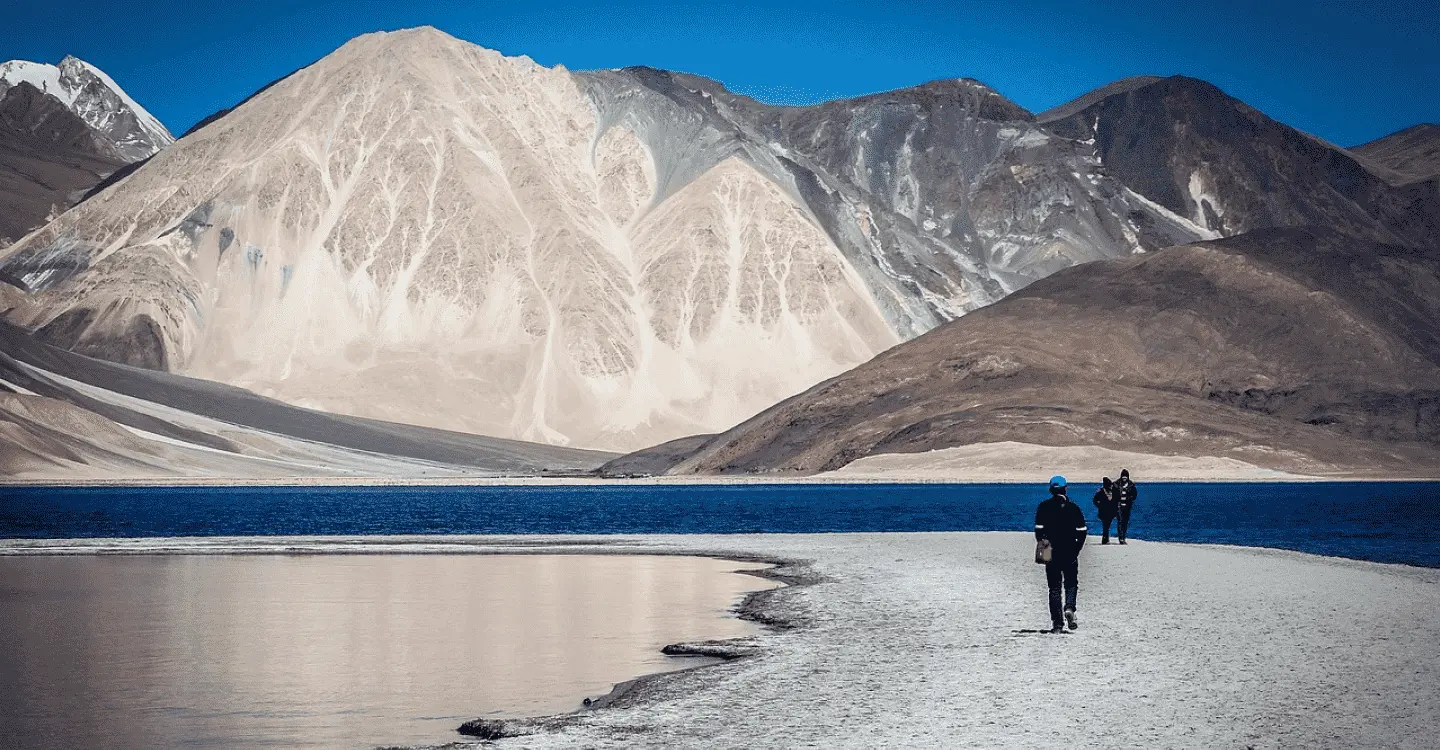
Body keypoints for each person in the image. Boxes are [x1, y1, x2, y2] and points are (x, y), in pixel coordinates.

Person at [1035, 475, 1087, 633]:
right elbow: (1082, 532)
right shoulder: (1074, 508)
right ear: (1066, 489)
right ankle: (1069, 608)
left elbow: (1038, 532)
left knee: (1054, 588)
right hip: (1070, 552)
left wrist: (1044, 546)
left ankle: (1057, 624)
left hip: (1051, 553)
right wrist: (1076, 549)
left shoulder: (1043, 507)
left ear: (1051, 490)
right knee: (1071, 583)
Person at [1115, 469, 1138, 544]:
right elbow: (1113, 494)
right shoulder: (1116, 484)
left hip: (1127, 506)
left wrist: (1130, 498)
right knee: (1120, 521)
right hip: (1119, 506)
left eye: (1125, 477)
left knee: (1125, 522)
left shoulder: (1131, 485)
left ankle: (1123, 537)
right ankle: (1120, 538)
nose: (1124, 479)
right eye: (1123, 477)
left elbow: (1134, 495)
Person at [1092, 477, 1119, 544]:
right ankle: (1105, 539)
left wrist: (1116, 508)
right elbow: (1095, 500)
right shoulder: (1101, 491)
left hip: (1111, 511)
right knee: (1105, 526)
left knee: (1107, 525)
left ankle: (1106, 539)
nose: (1111, 486)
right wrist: (1100, 506)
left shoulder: (1113, 491)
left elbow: (1116, 500)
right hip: (1103, 511)